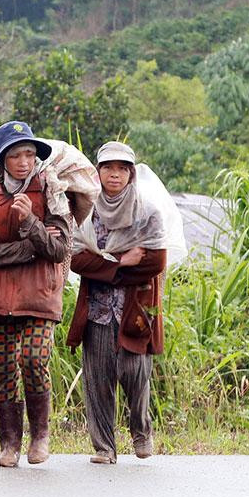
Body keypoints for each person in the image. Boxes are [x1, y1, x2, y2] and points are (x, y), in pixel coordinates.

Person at [0, 120, 71, 467]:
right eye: (15, 155)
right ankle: (9, 445)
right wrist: (26, 249)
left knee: (33, 359)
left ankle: (40, 437)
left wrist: (30, 222)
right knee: (3, 369)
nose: (24, 161)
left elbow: (58, 250)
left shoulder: (52, 190)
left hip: (39, 294)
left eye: (29, 153)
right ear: (2, 159)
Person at [66, 141, 168, 463]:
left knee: (136, 373)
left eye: (122, 169)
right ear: (98, 172)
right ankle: (104, 447)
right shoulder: (86, 212)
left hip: (135, 308)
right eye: (108, 168)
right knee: (98, 379)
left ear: (131, 174)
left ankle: (141, 431)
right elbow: (76, 260)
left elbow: (155, 262)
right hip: (97, 309)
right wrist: (122, 263)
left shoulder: (147, 212)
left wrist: (106, 270)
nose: (115, 174)